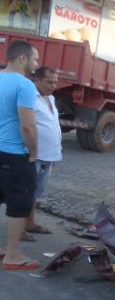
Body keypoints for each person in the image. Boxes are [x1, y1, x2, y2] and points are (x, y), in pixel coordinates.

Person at [0, 39, 40, 270]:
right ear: (22, 58)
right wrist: (33, 151)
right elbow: (27, 127)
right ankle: (13, 255)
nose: (37, 63)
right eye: (34, 58)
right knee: (19, 203)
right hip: (14, 154)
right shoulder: (24, 85)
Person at [23, 67, 61, 240]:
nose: (53, 86)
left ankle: (29, 222)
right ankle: (18, 228)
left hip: (49, 155)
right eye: (49, 82)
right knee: (24, 191)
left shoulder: (50, 98)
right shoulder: (29, 97)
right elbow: (25, 126)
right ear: (36, 80)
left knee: (36, 191)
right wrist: (30, 151)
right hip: (32, 154)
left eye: (55, 82)